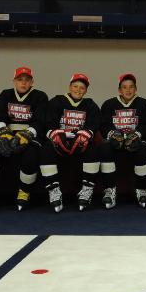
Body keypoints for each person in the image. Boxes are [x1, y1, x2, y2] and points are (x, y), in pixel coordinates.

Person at [0, 66, 62, 214]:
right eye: (20, 80)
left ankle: (24, 191)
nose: (23, 83)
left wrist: (27, 134)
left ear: (32, 82)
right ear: (14, 81)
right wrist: (3, 132)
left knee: (31, 154)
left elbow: (41, 121)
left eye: (27, 80)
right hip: (8, 134)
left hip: (30, 136)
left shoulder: (40, 96)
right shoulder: (5, 95)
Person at [46, 73, 100, 212]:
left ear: (86, 90)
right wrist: (58, 134)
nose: (78, 90)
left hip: (80, 143)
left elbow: (93, 125)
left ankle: (87, 189)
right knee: (46, 148)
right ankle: (53, 189)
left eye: (82, 87)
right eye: (75, 86)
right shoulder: (57, 101)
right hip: (60, 141)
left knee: (93, 148)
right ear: (69, 87)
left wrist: (84, 135)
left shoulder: (90, 105)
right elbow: (48, 124)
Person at [98, 73, 146, 209]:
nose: (128, 90)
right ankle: (109, 189)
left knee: (144, 149)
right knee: (105, 147)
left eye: (131, 87)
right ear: (119, 90)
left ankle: (141, 189)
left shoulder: (144, 103)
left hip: (135, 143)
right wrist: (113, 134)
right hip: (116, 142)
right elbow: (104, 125)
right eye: (124, 87)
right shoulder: (109, 104)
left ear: (135, 89)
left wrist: (137, 135)